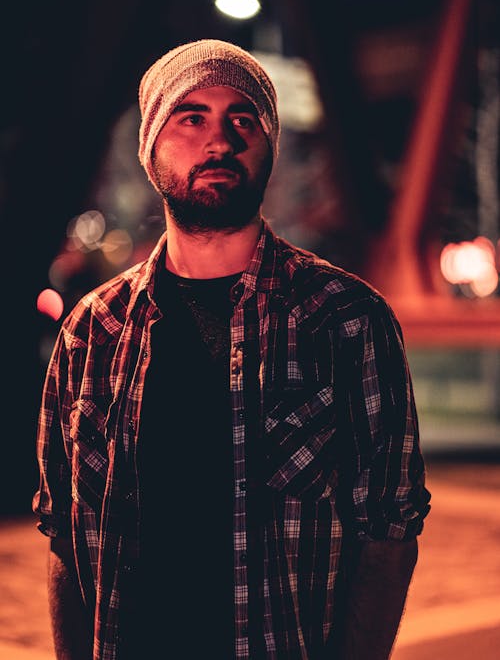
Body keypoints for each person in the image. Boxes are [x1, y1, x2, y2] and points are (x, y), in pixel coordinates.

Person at [33, 38, 431, 660]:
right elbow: (66, 532)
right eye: (191, 117)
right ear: (150, 149)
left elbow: (389, 528)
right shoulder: (94, 331)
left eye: (242, 119)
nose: (220, 141)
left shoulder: (345, 318)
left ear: (269, 146)